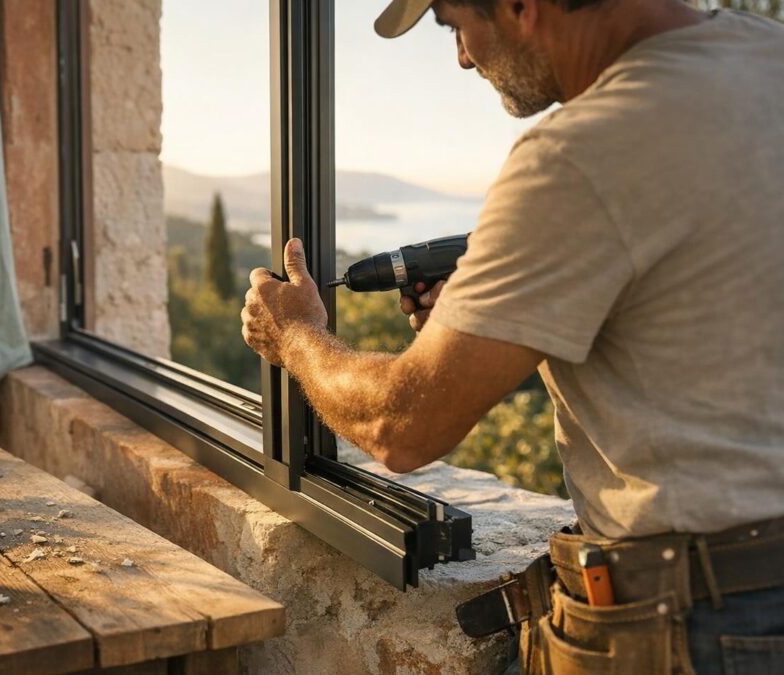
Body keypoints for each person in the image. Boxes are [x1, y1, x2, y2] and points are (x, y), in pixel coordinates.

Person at [240, 0, 784, 672]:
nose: (463, 57)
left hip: (707, 625)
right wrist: (515, 327)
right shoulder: (767, 56)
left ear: (522, 6)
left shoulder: (579, 153)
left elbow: (400, 424)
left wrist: (295, 333)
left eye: (455, 25)